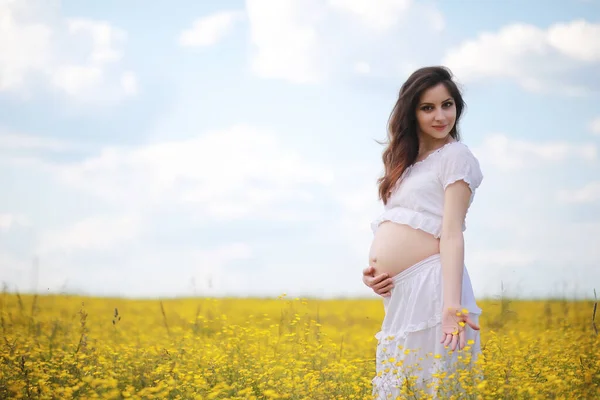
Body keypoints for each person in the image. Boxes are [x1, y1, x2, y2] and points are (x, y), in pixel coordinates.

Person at [362, 66, 484, 399]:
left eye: (447, 104)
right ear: (411, 112)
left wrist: (451, 307)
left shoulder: (455, 156)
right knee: (403, 388)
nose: (440, 115)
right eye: (427, 107)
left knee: (432, 388)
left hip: (435, 288)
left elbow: (452, 233)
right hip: (404, 294)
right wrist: (374, 274)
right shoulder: (407, 163)